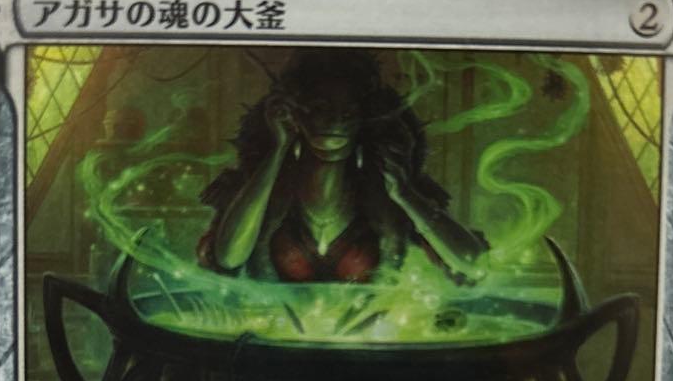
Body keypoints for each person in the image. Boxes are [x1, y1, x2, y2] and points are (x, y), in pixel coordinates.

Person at [198, 48, 486, 284]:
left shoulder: (392, 186)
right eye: (320, 109)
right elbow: (229, 258)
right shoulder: (259, 185)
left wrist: (405, 195)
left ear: (363, 117)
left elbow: (473, 265)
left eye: (347, 111)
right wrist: (277, 150)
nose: (334, 121)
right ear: (297, 113)